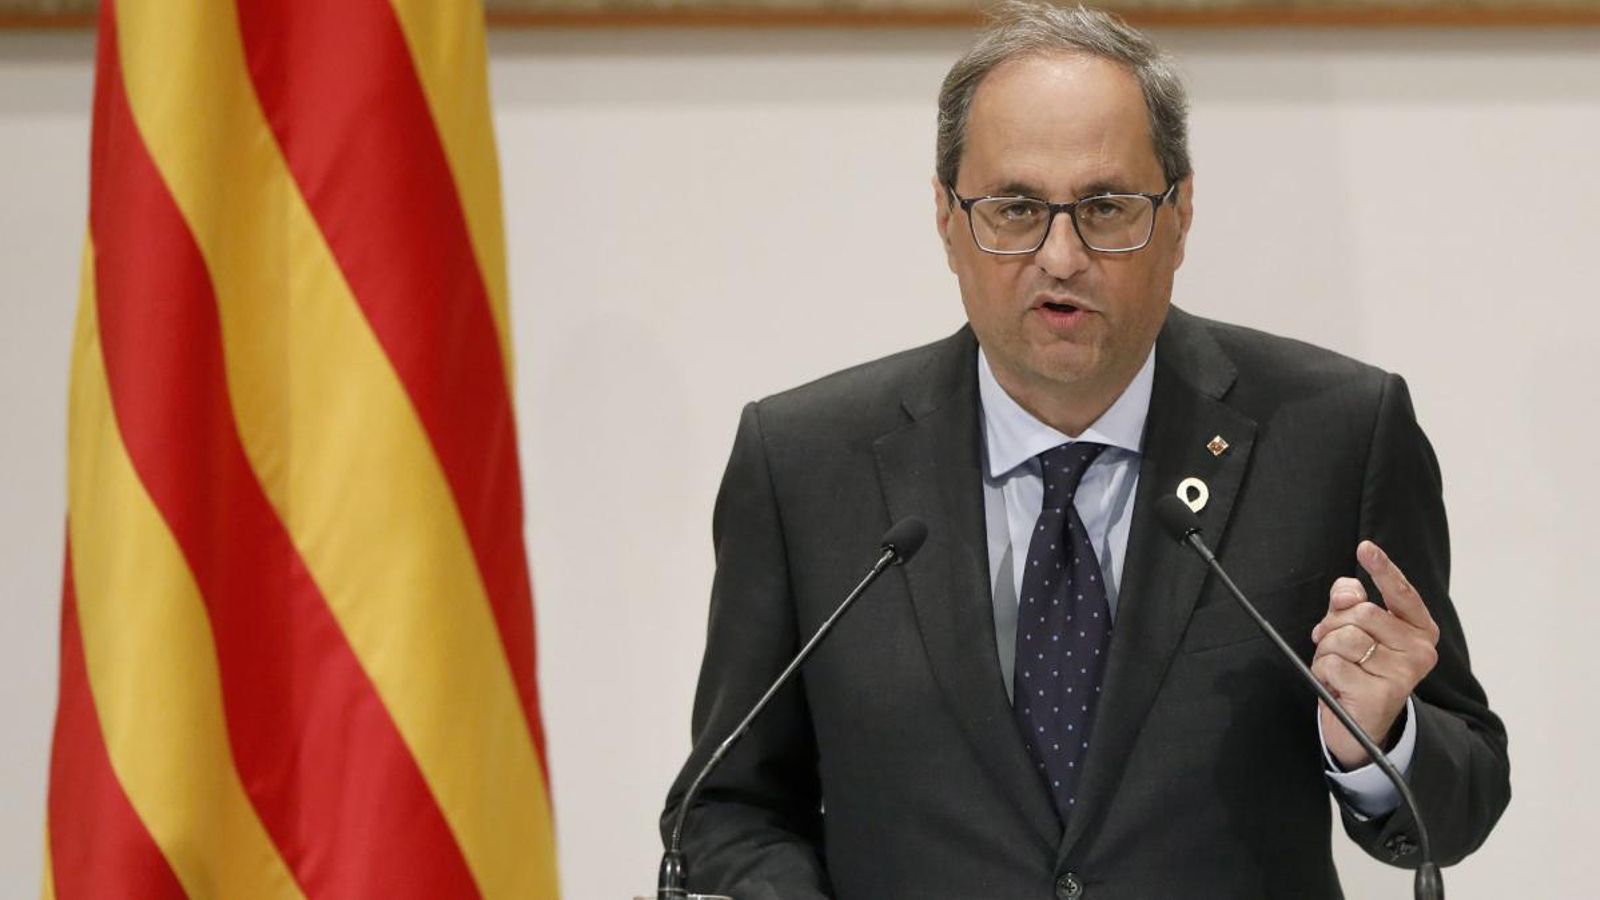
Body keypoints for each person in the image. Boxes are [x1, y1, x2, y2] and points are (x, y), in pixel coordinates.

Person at [661, 4, 1509, 898]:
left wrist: (1381, 740)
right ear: (947, 219)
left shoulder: (1337, 434)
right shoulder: (803, 463)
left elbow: (1464, 798)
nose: (1060, 256)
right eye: (1014, 208)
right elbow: (725, 807)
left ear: (1181, 214)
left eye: (1105, 207)